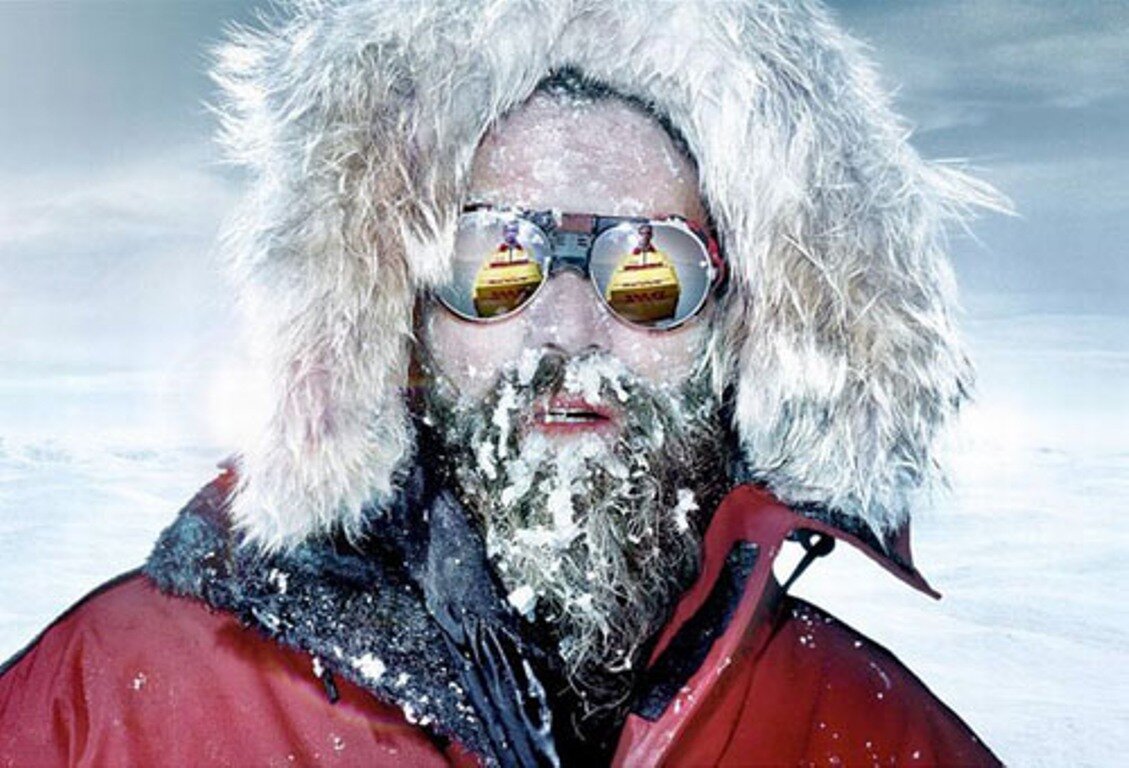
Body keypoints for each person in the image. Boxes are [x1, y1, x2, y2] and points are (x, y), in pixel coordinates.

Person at [0, 1, 1008, 765]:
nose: (566, 328)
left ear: (744, 323)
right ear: (395, 317)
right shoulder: (108, 702)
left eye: (648, 273)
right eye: (493, 262)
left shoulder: (874, 739)